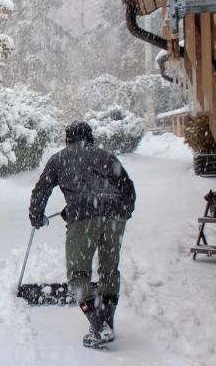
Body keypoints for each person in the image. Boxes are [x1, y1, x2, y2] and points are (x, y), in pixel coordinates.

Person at [28, 121, 136, 348]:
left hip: (84, 219)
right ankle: (106, 321)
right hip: (114, 216)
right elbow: (126, 184)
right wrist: (125, 209)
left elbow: (42, 189)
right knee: (109, 270)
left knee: (78, 274)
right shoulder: (104, 155)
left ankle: (99, 326)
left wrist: (36, 215)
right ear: (90, 137)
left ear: (68, 138)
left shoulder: (60, 159)